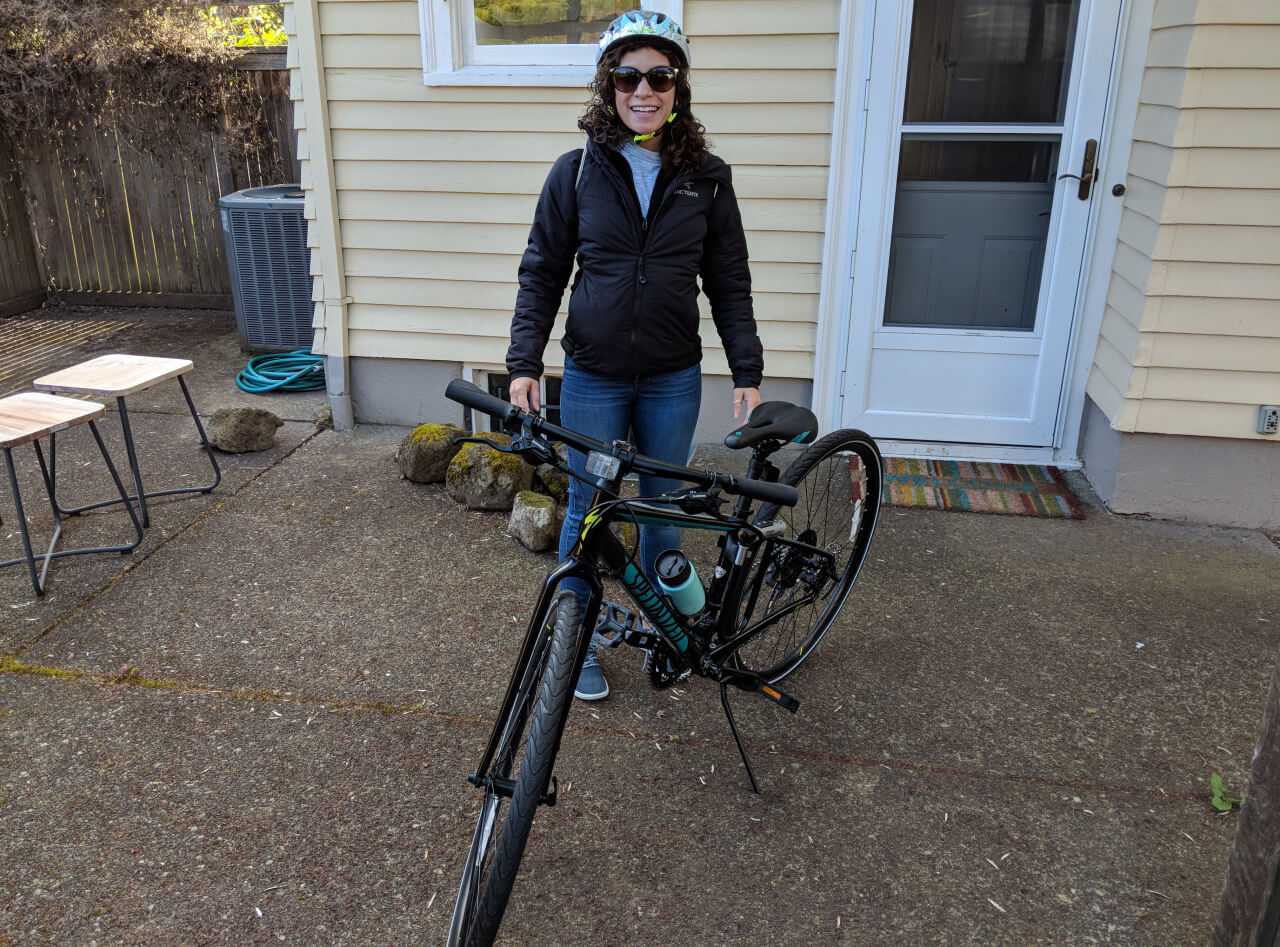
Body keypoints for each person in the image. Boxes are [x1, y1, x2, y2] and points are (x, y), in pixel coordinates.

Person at [505, 9, 764, 702]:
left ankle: (663, 633)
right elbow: (543, 270)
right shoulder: (578, 171)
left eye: (659, 77)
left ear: (678, 89)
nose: (642, 91)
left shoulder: (708, 178)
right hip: (592, 373)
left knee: (661, 512)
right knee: (588, 511)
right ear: (608, 86)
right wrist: (524, 362)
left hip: (672, 378)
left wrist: (747, 369)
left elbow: (729, 280)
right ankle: (575, 647)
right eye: (627, 77)